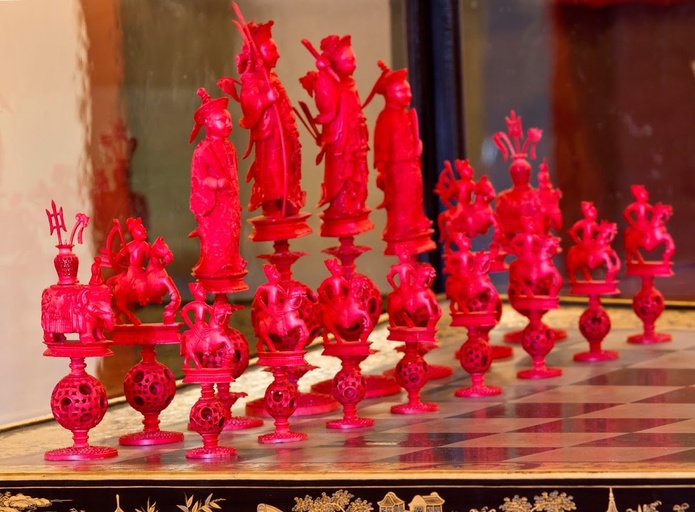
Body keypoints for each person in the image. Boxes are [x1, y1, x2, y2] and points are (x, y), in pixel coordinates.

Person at [219, 20, 305, 218]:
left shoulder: (272, 77)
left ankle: (286, 198)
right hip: (268, 137)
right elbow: (248, 104)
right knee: (271, 170)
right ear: (259, 53)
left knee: (286, 167)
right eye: (272, 49)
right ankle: (271, 202)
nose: (278, 54)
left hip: (283, 134)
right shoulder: (251, 80)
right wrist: (266, 99)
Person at [300, 35, 371, 224]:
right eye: (348, 60)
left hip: (356, 139)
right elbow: (326, 106)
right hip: (340, 141)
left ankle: (355, 203)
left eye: (353, 60)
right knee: (341, 172)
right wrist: (323, 73)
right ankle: (341, 205)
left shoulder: (350, 84)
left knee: (357, 173)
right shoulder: (329, 82)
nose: (353, 64)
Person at [368, 61, 432, 245]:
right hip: (397, 169)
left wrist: (418, 146)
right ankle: (402, 226)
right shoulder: (385, 118)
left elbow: (413, 137)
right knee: (400, 199)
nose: (408, 95)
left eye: (408, 91)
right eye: (402, 91)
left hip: (412, 164)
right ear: (389, 93)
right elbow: (381, 144)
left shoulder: (406, 115)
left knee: (415, 195)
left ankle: (417, 222)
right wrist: (382, 167)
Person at [189, 87, 246, 283]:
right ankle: (216, 265)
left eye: (229, 120)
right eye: (223, 120)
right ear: (208, 123)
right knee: (217, 237)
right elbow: (199, 178)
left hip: (230, 203)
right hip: (214, 205)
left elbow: (234, 174)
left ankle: (232, 260)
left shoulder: (230, 147)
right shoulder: (203, 150)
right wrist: (216, 183)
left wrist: (234, 193)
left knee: (232, 233)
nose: (228, 124)